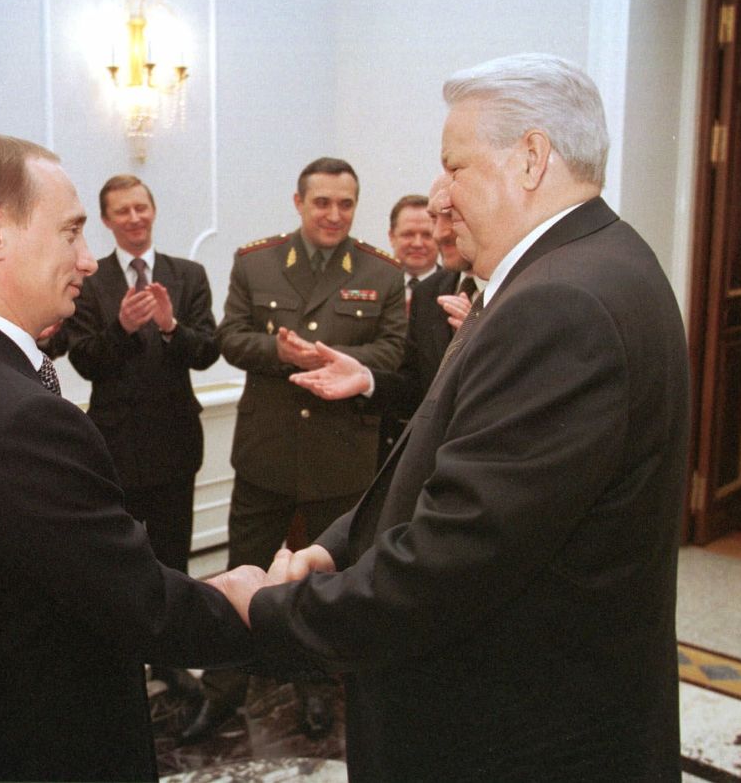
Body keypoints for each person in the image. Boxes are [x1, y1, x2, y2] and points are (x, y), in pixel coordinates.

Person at [213, 53, 690, 781]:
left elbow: (453, 559)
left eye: (454, 166)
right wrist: (336, 549)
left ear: (531, 158)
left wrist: (277, 612)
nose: (438, 194)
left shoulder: (560, 304)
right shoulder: (588, 263)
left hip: (518, 737)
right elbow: (434, 452)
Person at [0, 134, 251, 782]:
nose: (88, 260)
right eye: (72, 231)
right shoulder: (21, 416)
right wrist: (251, 601)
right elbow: (141, 605)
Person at [184, 157, 405, 744]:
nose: (334, 214)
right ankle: (222, 694)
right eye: (322, 202)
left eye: (346, 203)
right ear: (299, 202)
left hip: (339, 458)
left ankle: (315, 693)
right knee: (242, 572)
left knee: (322, 585)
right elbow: (230, 337)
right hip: (268, 452)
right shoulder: (256, 261)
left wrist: (337, 359)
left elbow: (394, 351)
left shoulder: (381, 272)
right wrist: (282, 355)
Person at [63, 174, 218, 702]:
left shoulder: (188, 274)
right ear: (106, 221)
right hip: (114, 445)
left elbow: (207, 351)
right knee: (121, 561)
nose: (134, 218)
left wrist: (172, 327)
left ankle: (171, 660)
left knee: (172, 559)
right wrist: (121, 331)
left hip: (175, 440)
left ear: (153, 211)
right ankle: (125, 656)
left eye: (141, 207)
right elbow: (83, 360)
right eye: (121, 211)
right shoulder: (89, 280)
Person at [301, 177, 480, 462]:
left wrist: (483, 335)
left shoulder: (518, 288)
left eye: (451, 218)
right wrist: (366, 378)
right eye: (435, 218)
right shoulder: (429, 292)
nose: (438, 234)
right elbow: (417, 387)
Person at [387, 193, 438, 309]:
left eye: (427, 235)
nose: (417, 244)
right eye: (408, 234)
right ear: (391, 237)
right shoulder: (375, 284)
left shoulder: (456, 287)